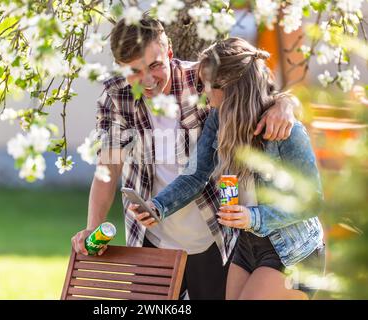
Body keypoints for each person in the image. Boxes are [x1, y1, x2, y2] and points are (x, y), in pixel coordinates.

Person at [71, 16, 299, 300]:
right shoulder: (116, 96)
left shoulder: (203, 80)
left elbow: (262, 96)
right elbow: (108, 169)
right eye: (135, 71)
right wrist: (93, 229)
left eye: (155, 65)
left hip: (215, 235)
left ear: (169, 52)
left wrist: (285, 104)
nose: (148, 80)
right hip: (152, 238)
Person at [132, 37, 326, 300]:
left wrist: (252, 217)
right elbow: (195, 176)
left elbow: (311, 202)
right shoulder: (218, 121)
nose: (202, 94)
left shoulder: (285, 131)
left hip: (293, 250)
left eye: (207, 86)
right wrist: (159, 206)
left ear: (230, 88)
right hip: (246, 246)